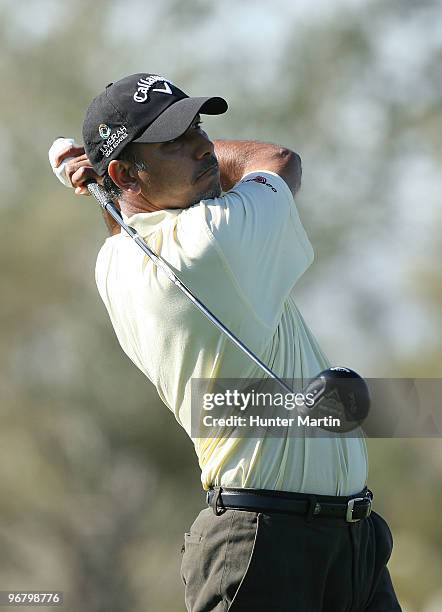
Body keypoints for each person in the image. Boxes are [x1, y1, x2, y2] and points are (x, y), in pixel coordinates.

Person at [50, 73, 402, 611]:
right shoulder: (213, 238)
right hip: (265, 543)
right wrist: (99, 173)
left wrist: (104, 179)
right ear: (125, 173)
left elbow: (128, 227)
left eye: (198, 129)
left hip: (346, 540)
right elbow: (277, 158)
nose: (203, 148)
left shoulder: (116, 262)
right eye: (174, 142)